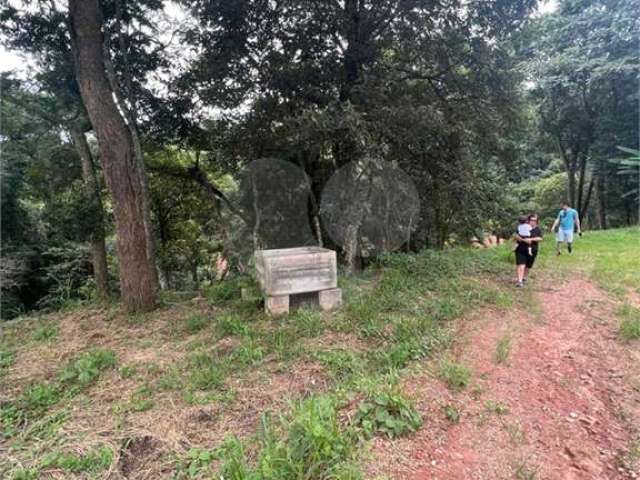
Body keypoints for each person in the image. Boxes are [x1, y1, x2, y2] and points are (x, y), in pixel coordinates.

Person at [514, 214, 543, 288]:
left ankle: (524, 278)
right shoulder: (522, 227)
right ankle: (519, 281)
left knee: (528, 266)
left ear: (537, 221)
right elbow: (516, 235)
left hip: (532, 250)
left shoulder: (537, 229)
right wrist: (519, 238)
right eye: (531, 220)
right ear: (528, 220)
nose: (533, 222)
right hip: (520, 249)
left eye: (535, 220)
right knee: (521, 264)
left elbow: (540, 238)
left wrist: (530, 239)